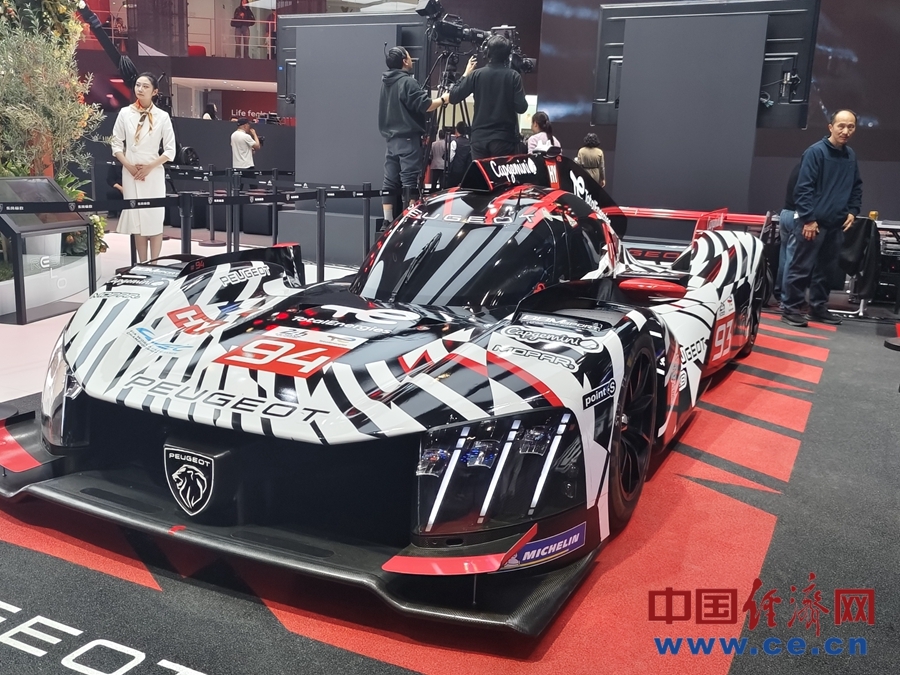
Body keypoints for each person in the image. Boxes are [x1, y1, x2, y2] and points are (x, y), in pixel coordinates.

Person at [781, 109, 863, 327]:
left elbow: (856, 186)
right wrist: (808, 219)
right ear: (830, 127)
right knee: (801, 268)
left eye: (851, 127)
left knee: (826, 270)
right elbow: (803, 188)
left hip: (836, 224)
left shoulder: (850, 155)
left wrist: (853, 211)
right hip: (812, 224)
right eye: (841, 126)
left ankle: (818, 308)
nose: (845, 131)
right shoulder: (815, 152)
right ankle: (791, 309)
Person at [110, 72, 176, 263]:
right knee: (137, 219)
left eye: (145, 86)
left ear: (155, 91)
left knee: (154, 217)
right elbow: (116, 144)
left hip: (153, 173)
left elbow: (170, 150)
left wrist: (149, 167)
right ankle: (142, 263)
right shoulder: (125, 113)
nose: (140, 89)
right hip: (130, 172)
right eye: (138, 85)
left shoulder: (162, 116)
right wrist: (129, 166)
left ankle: (154, 263)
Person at [378, 46, 447, 224]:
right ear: (404, 61)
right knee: (410, 181)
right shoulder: (407, 82)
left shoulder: (386, 82)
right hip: (408, 139)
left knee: (389, 181)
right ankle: (408, 221)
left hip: (391, 140)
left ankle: (387, 222)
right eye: (409, 57)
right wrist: (444, 99)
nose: (411, 60)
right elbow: (426, 105)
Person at [448, 35, 528, 160]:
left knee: (480, 173)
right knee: (500, 173)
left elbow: (453, 97)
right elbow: (521, 108)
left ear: (487, 53)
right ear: (508, 55)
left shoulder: (476, 75)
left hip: (479, 139)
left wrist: (465, 75)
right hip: (504, 139)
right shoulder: (514, 76)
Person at [775, 162, 801, 306]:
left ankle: (780, 293)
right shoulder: (808, 170)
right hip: (796, 216)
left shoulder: (797, 167)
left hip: (785, 213)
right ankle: (787, 300)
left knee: (784, 257)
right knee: (792, 260)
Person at [444, 121, 471, 188]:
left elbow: (451, 157)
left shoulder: (454, 142)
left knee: (451, 187)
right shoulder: (469, 142)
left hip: (455, 170)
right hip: (466, 170)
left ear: (456, 130)